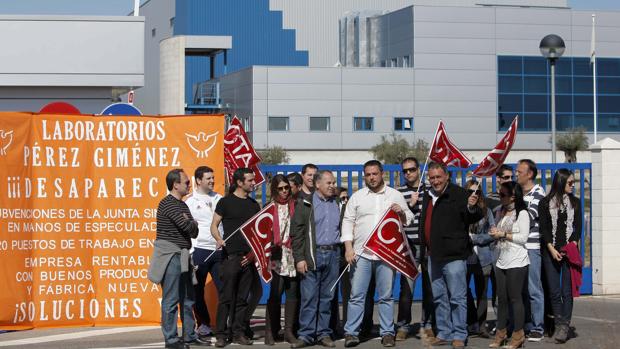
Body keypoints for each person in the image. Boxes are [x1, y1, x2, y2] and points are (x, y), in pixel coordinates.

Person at [342, 160, 413, 348]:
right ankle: (351, 332)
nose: (371, 177)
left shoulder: (395, 195)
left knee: (386, 296)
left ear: (382, 174)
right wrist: (348, 248)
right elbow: (348, 222)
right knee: (357, 295)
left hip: (386, 254)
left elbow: (409, 219)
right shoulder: (357, 197)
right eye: (368, 174)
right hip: (361, 254)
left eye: (375, 173)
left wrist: (402, 213)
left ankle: (387, 333)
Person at [418, 162, 482, 349]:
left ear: (447, 176)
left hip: (454, 256)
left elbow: (474, 215)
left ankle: (460, 335)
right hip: (433, 255)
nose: (435, 181)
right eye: (432, 178)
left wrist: (471, 207)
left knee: (457, 298)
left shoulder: (461, 194)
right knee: (439, 297)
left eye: (438, 177)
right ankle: (444, 332)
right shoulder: (427, 196)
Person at [148, 169, 209, 349]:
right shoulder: (167, 203)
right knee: (171, 300)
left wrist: (191, 224)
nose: (190, 185)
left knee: (188, 299)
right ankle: (172, 339)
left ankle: (189, 336)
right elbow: (187, 226)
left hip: (183, 255)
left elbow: (194, 230)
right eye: (187, 182)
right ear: (176, 184)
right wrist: (191, 223)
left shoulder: (183, 206)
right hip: (171, 256)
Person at [290, 170, 342, 348]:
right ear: (317, 184)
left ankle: (323, 334)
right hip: (313, 255)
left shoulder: (338, 203)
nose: (332, 186)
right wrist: (299, 258)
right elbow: (296, 233)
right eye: (329, 183)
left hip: (334, 255)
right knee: (309, 297)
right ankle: (305, 335)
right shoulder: (305, 204)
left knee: (327, 298)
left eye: (333, 183)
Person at [211, 168, 261, 347]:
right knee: (226, 297)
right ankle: (221, 335)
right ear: (239, 182)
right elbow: (214, 225)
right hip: (230, 257)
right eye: (250, 180)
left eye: (253, 180)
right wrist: (218, 239)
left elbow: (259, 233)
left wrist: (254, 254)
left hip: (248, 258)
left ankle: (238, 332)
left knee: (242, 299)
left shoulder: (254, 205)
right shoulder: (225, 202)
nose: (253, 183)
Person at [538, 169, 582, 343]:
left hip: (569, 251)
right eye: (570, 182)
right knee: (554, 291)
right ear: (561, 182)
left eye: (573, 183)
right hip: (551, 251)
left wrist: (571, 245)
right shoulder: (545, 203)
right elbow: (544, 228)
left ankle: (564, 326)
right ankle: (559, 324)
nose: (572, 185)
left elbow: (578, 228)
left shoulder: (576, 203)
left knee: (567, 291)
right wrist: (551, 249)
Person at [395, 157, 436, 342]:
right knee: (406, 290)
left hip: (428, 245)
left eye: (411, 169)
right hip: (408, 246)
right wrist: (409, 205)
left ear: (419, 169)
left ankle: (427, 325)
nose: (408, 173)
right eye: (405, 171)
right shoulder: (399, 193)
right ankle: (403, 325)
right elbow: (395, 220)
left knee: (429, 288)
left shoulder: (430, 189)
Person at [488, 181, 530, 349]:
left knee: (515, 297)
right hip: (501, 259)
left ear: (513, 196)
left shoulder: (522, 214)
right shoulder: (499, 211)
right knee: (502, 298)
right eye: (500, 194)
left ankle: (518, 334)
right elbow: (496, 232)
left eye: (503, 195)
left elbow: (523, 238)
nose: (500, 197)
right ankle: (501, 332)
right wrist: (494, 233)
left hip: (516, 260)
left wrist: (503, 234)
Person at [185, 166, 223, 337]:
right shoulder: (190, 202)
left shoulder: (219, 199)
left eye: (213, 178)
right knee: (197, 290)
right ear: (199, 180)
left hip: (219, 250)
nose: (212, 181)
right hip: (200, 250)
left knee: (225, 289)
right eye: (208, 178)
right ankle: (204, 324)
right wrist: (192, 252)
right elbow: (188, 228)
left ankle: (224, 325)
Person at [264, 175, 300, 345]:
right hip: (276, 254)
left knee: (292, 292)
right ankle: (269, 331)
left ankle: (288, 332)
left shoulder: (296, 206)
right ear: (274, 189)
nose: (285, 191)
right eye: (280, 188)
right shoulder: (268, 208)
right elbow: (261, 234)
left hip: (292, 254)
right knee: (275, 293)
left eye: (287, 187)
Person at [515, 159, 546, 342]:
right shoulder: (518, 192)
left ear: (530, 174)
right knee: (519, 289)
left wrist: (515, 210)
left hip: (531, 247)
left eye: (520, 171)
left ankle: (537, 327)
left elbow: (530, 215)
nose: (517, 173)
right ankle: (524, 323)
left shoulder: (538, 192)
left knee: (534, 288)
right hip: (516, 246)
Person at [464, 180, 495, 339]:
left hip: (483, 257)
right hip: (466, 257)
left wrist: (475, 238)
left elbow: (493, 233)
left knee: (482, 293)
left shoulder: (486, 211)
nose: (473, 195)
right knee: (463, 291)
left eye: (476, 192)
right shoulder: (462, 210)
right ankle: (471, 322)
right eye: (470, 192)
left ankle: (482, 326)